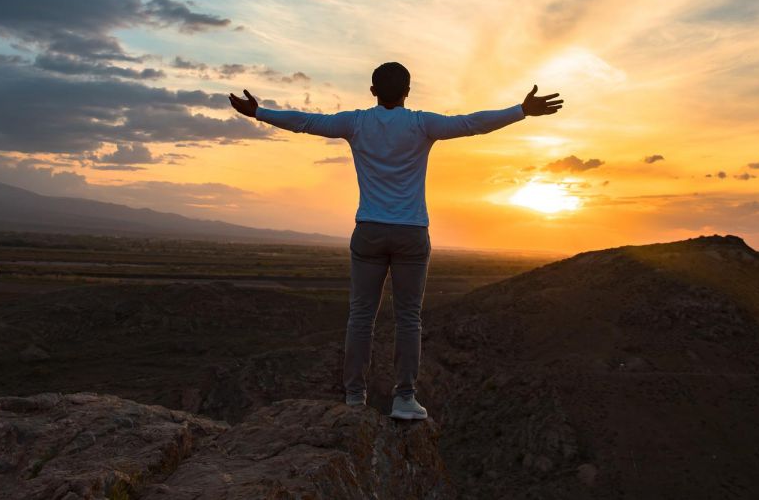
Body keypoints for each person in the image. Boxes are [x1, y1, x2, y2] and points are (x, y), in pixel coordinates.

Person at [228, 62, 562, 420]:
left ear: (372, 91)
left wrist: (259, 113)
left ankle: (355, 397)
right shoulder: (422, 124)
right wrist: (521, 111)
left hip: (369, 230)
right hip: (411, 233)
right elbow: (470, 124)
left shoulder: (355, 123)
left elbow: (305, 122)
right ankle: (404, 398)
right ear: (408, 92)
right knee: (408, 319)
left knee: (360, 317)